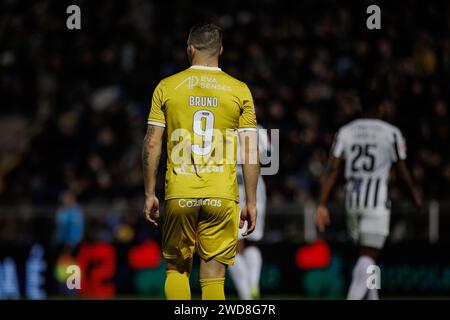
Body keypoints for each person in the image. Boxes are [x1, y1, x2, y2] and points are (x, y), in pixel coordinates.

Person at [142, 23, 259, 300]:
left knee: (177, 271)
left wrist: (149, 192)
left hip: (180, 193)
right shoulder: (239, 90)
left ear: (190, 48)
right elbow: (250, 150)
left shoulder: (167, 87)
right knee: (214, 278)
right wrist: (251, 201)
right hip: (222, 195)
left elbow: (151, 142)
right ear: (220, 50)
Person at [315, 93, 422, 300]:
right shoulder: (391, 133)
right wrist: (414, 196)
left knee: (367, 257)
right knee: (368, 256)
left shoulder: (346, 131)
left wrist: (322, 202)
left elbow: (332, 169)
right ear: (381, 108)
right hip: (376, 203)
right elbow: (402, 171)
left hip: (352, 201)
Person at [229, 125, 268, 300]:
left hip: (231, 189)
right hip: (256, 190)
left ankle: (247, 296)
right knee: (253, 242)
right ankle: (253, 284)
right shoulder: (258, 130)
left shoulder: (223, 128)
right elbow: (267, 157)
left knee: (233, 246)